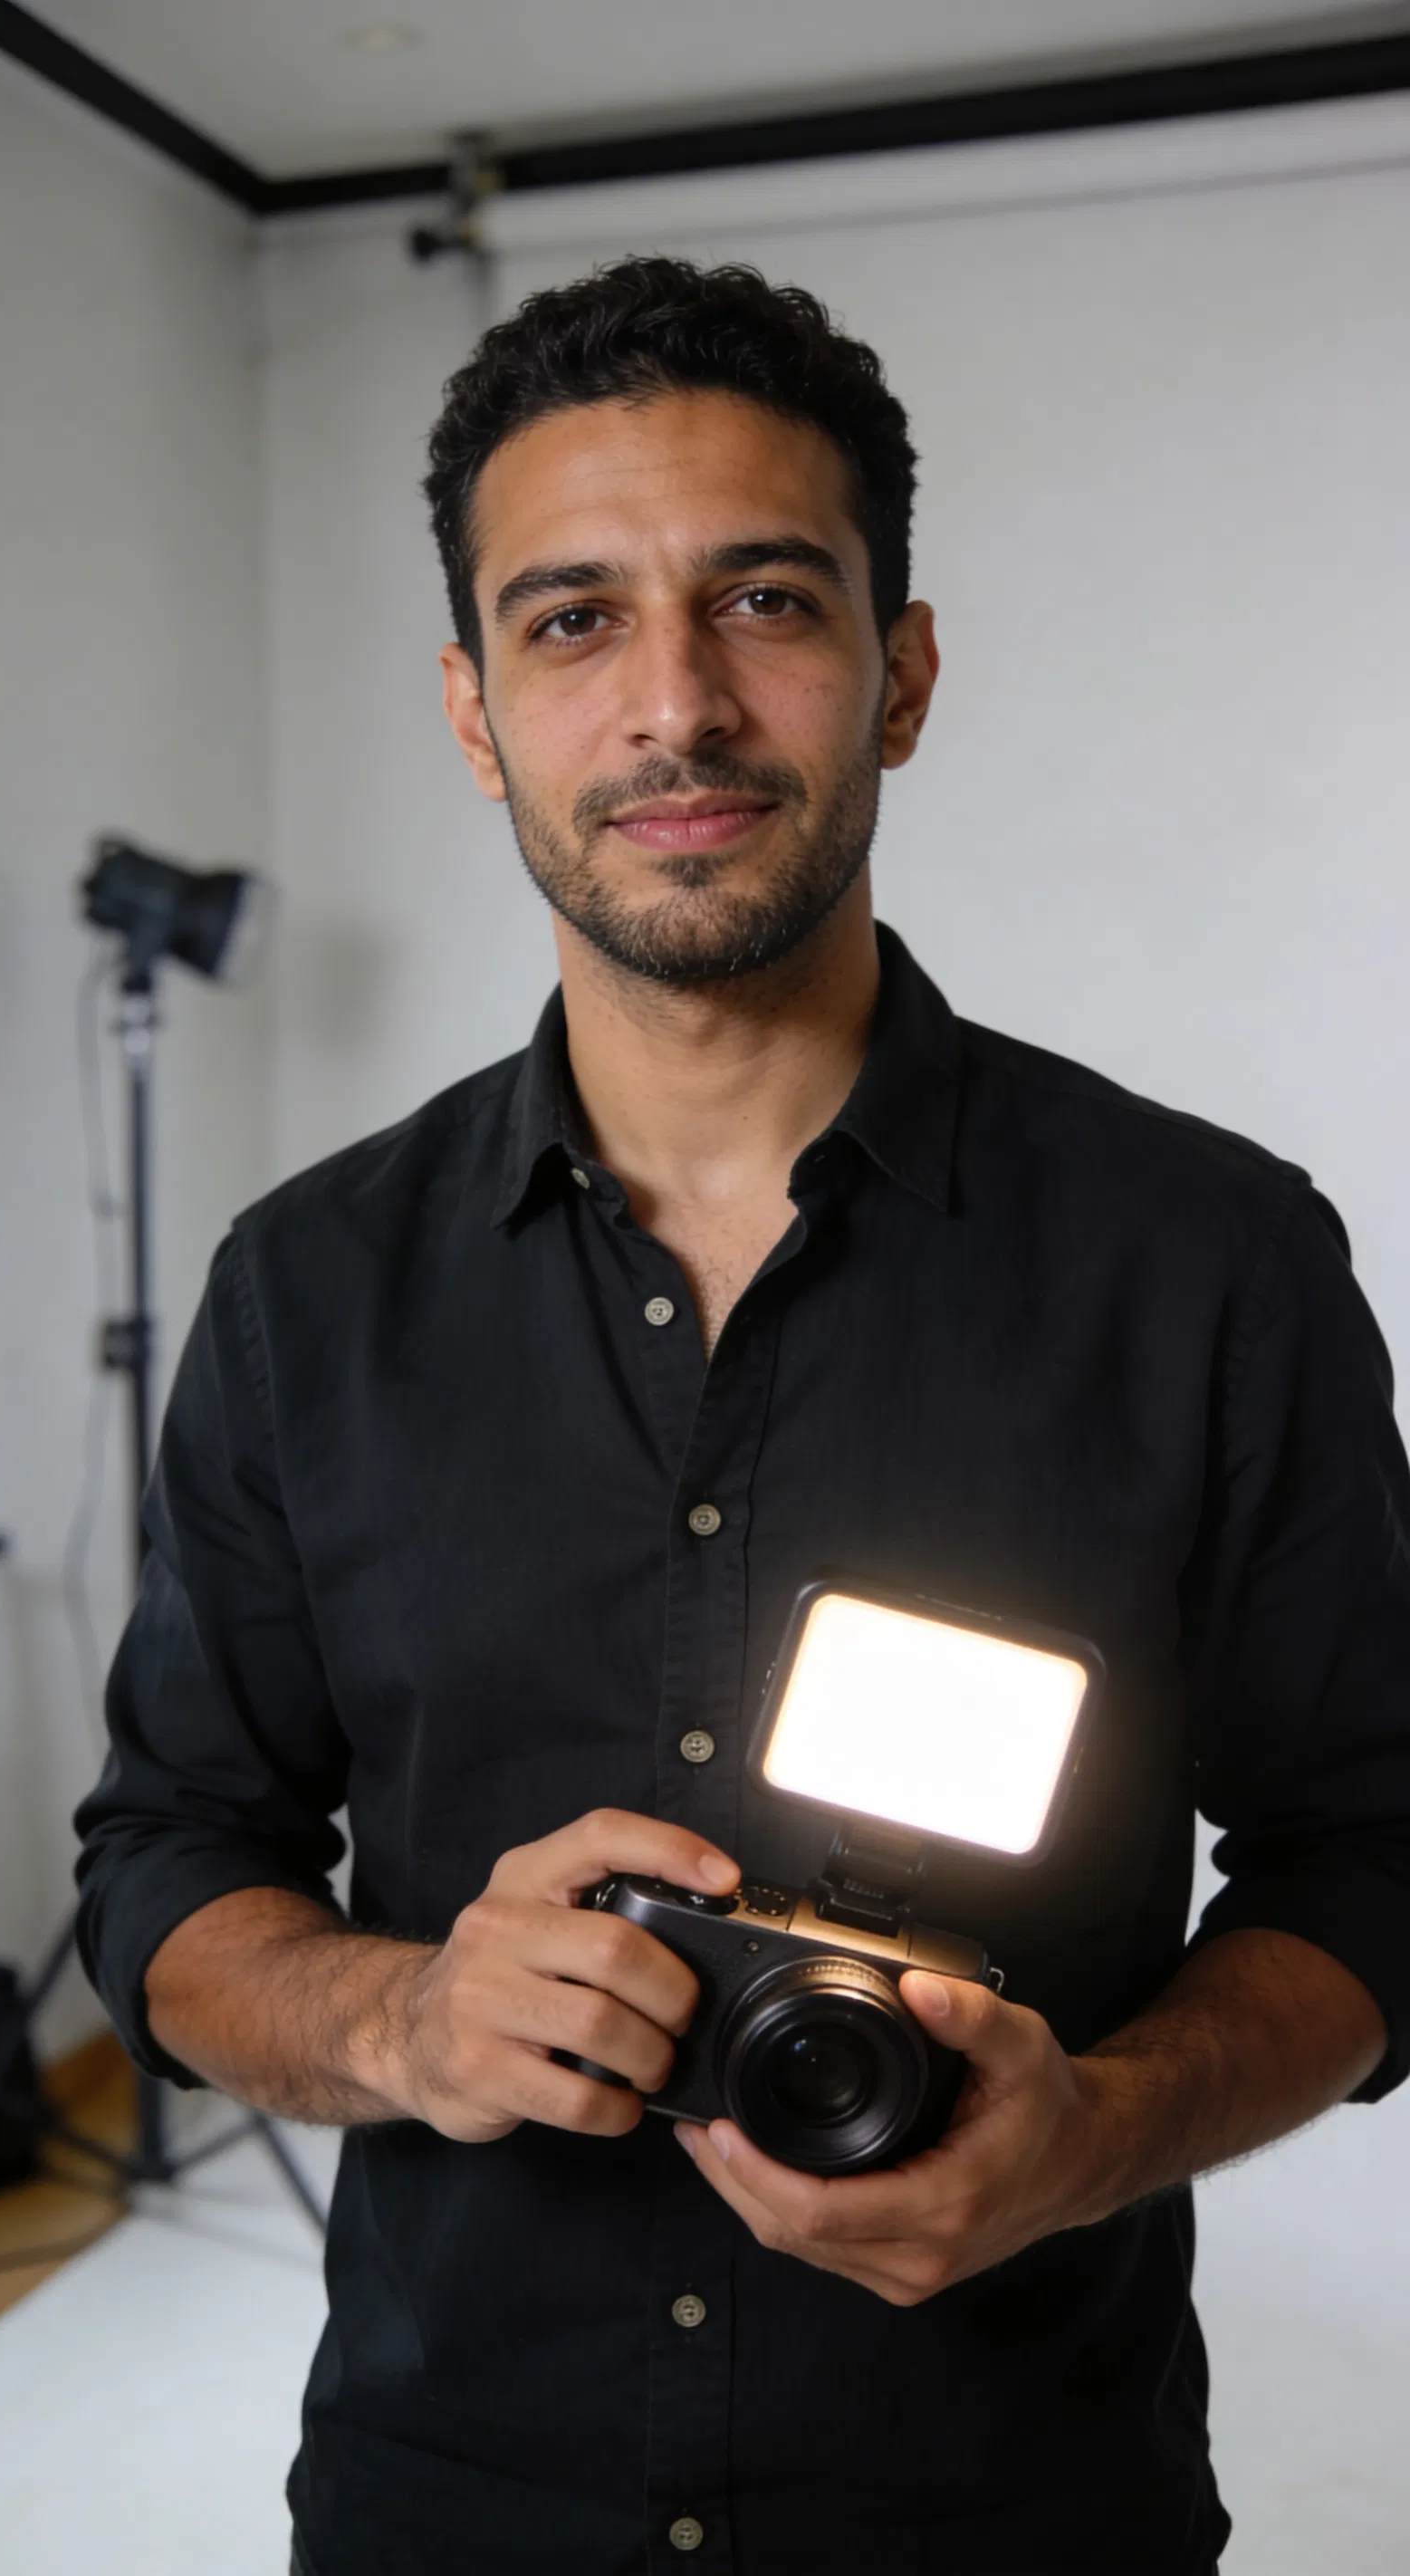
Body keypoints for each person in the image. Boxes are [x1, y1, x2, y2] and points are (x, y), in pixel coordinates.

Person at [75, 257, 1410, 2576]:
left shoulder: (1207, 1261)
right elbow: (172, 1864)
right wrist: (398, 2019)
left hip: (1018, 2511)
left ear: (899, 671)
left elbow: (1379, 1855)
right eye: (572, 620)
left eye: (762, 601)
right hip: (449, 2505)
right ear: (478, 714)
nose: (673, 706)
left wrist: (1090, 2133)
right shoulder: (305, 1293)